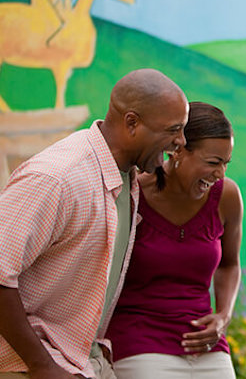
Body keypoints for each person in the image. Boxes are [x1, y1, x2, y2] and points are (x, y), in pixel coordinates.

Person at [0, 68, 189, 378]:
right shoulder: (57, 178)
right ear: (132, 123)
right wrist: (41, 366)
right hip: (27, 366)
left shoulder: (126, 176)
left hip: (80, 362)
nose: (180, 141)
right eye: (174, 129)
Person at [105, 102, 243, 379]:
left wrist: (223, 316)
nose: (220, 174)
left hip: (206, 343)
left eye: (226, 164)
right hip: (137, 338)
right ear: (177, 150)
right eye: (213, 162)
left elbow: (229, 265)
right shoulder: (131, 194)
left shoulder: (226, 196)